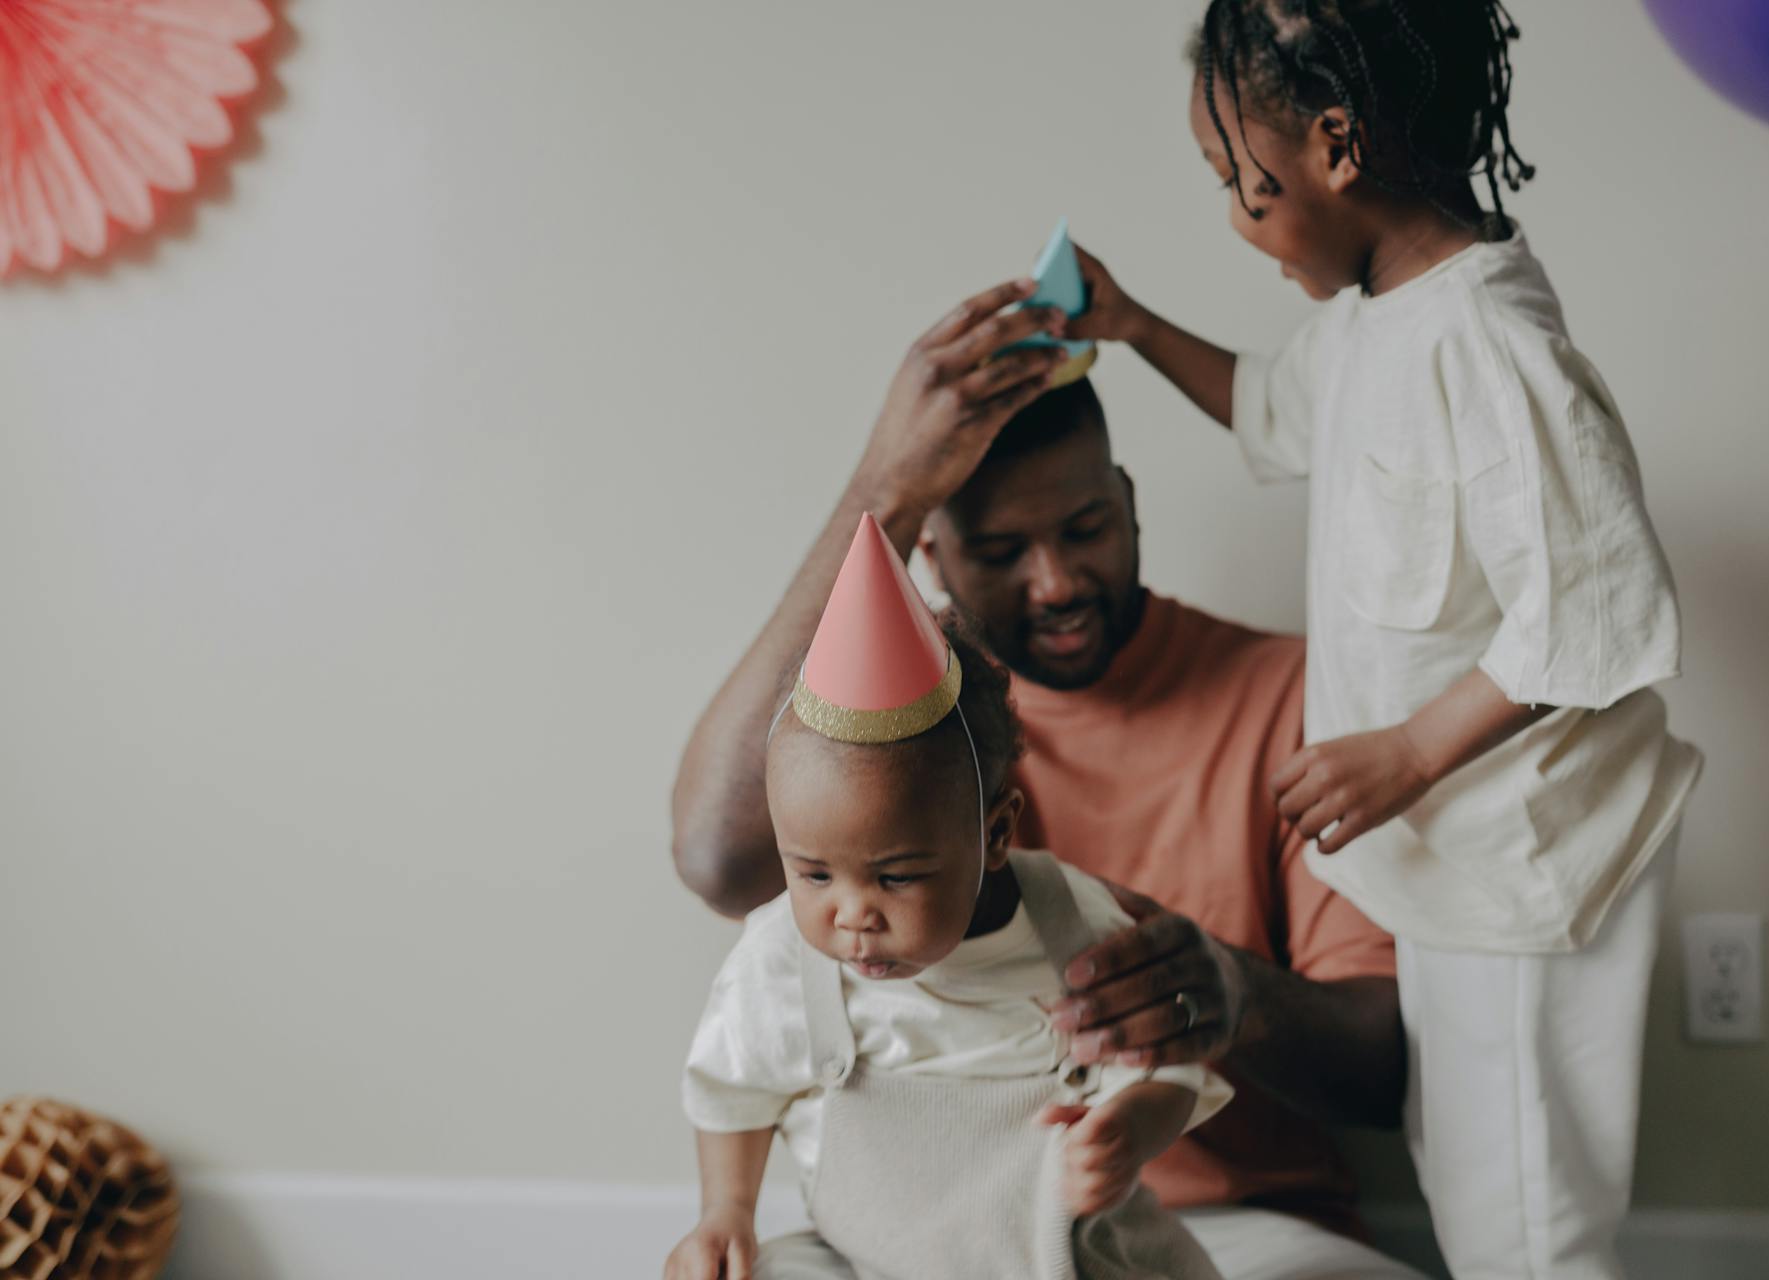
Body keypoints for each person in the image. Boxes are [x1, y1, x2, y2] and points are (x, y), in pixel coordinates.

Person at [1055, 4, 1704, 1276]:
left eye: (1240, 184)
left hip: (1524, 876)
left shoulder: (1490, 344)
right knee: (1470, 1175)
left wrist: (1410, 747)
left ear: (1337, 145)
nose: (1235, 219)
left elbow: (1594, 606)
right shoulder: (1368, 320)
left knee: (1527, 1221)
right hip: (1451, 875)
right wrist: (1128, 324)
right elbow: (1266, 407)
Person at [674, 284, 1419, 1279]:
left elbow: (1387, 1067)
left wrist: (1233, 993)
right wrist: (879, 495)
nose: (1058, 579)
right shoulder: (905, 757)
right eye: (1000, 549)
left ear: (1130, 503)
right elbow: (720, 859)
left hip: (1226, 1228)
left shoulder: (1291, 694)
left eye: (1084, 528)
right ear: (931, 555)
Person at [666, 516, 1230, 1280]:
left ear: (996, 834)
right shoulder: (783, 960)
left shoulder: (1074, 932)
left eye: (896, 876)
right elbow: (737, 1085)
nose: (852, 914)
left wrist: (1127, 1130)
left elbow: (1165, 1066)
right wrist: (726, 1211)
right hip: (869, 1260)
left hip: (1057, 1256)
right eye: (814, 874)